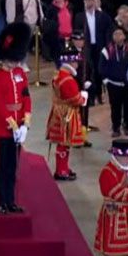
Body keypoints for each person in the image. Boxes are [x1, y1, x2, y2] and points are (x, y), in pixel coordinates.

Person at [0, 22, 31, 214]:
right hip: (3, 130)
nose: (14, 63)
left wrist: (25, 124)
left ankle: (11, 200)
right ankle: (0, 200)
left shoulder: (20, 74)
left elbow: (26, 98)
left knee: (13, 167)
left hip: (18, 128)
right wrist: (13, 126)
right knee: (1, 167)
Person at [46, 41, 87, 181]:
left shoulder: (58, 75)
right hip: (66, 115)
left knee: (63, 143)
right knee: (64, 143)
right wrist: (83, 98)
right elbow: (75, 99)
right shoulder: (68, 79)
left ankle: (62, 168)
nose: (77, 65)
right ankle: (61, 170)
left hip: (59, 112)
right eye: (76, 62)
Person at [99, 28, 128, 137]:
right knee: (115, 107)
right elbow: (102, 66)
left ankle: (127, 126)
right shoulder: (107, 50)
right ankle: (116, 128)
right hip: (113, 84)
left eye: (120, 34)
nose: (118, 36)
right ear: (113, 37)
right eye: (116, 34)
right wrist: (106, 80)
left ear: (124, 36)